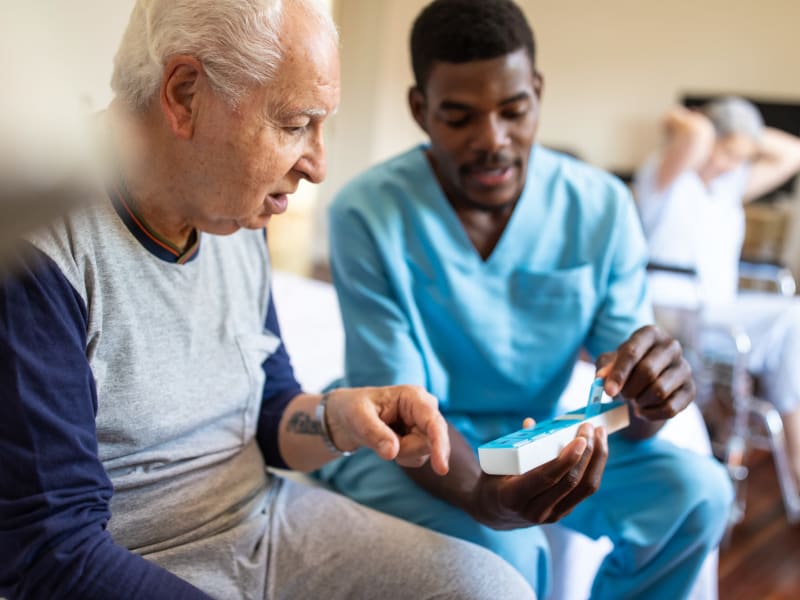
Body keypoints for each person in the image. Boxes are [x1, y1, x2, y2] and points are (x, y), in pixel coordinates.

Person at [0, 1, 538, 598]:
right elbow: (52, 554)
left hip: (262, 525)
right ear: (184, 95)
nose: (318, 164)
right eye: (293, 124)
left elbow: (269, 407)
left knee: (493, 589)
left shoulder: (231, 213)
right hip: (129, 564)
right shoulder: (39, 253)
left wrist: (339, 419)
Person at [318, 1, 734, 598]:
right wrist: (484, 498)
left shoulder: (600, 208)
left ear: (537, 92)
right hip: (403, 450)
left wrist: (650, 399)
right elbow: (398, 415)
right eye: (459, 117)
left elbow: (626, 415)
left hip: (528, 436)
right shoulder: (366, 214)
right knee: (506, 553)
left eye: (513, 111)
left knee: (698, 493)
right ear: (420, 110)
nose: (493, 141)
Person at [634, 97, 800, 487]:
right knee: (792, 326)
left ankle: (787, 444)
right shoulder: (666, 177)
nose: (730, 164)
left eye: (740, 158)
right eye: (726, 152)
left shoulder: (728, 187)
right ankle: (795, 460)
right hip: (675, 312)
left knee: (795, 321)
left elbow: (793, 152)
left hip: (720, 311)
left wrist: (745, 142)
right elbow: (696, 133)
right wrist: (690, 121)